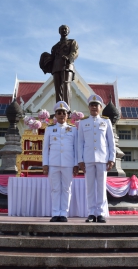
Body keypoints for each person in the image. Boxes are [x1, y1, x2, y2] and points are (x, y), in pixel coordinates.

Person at [77, 94, 115, 223]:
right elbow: (79, 143)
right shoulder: (83, 123)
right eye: (92, 105)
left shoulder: (106, 121)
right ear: (88, 107)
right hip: (88, 159)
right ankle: (91, 213)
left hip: (102, 158)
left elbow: (111, 142)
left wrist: (112, 158)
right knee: (90, 187)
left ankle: (101, 213)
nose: (94, 107)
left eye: (96, 105)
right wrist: (80, 160)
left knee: (101, 186)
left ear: (100, 107)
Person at [42, 101, 79, 222]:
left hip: (68, 164)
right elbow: (45, 148)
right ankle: (55, 213)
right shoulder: (49, 129)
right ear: (55, 115)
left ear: (67, 115)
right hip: (53, 163)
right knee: (55, 189)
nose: (62, 115)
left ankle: (64, 213)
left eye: (64, 113)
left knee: (66, 189)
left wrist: (76, 164)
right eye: (59, 113)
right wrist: (45, 164)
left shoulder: (73, 130)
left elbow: (76, 148)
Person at [39, 25, 79, 108]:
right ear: (59, 31)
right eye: (62, 29)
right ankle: (59, 108)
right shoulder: (55, 47)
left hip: (67, 66)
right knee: (58, 88)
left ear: (68, 31)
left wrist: (68, 57)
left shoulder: (72, 42)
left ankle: (67, 109)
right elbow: (52, 57)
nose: (64, 30)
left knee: (66, 86)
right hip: (56, 67)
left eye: (65, 29)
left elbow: (74, 52)